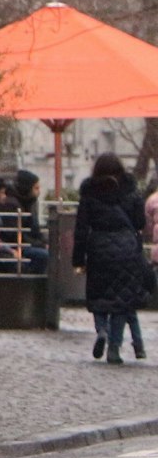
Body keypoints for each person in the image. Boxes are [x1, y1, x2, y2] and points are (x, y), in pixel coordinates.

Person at [72, 153, 150, 364]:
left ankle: (101, 331)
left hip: (98, 248)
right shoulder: (131, 190)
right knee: (122, 302)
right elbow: (141, 222)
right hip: (127, 249)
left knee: (99, 295)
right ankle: (114, 348)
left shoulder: (89, 192)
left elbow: (80, 229)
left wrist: (78, 260)